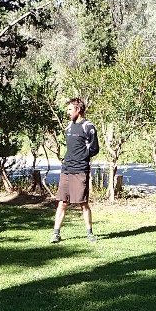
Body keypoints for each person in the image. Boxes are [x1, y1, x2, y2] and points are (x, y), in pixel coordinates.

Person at [51, 97, 99, 243]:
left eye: (70, 109)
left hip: (80, 169)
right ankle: (56, 233)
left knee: (82, 203)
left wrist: (82, 157)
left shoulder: (88, 126)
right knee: (62, 202)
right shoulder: (68, 127)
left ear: (78, 110)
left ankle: (90, 233)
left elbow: (94, 148)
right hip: (67, 169)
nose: (68, 112)